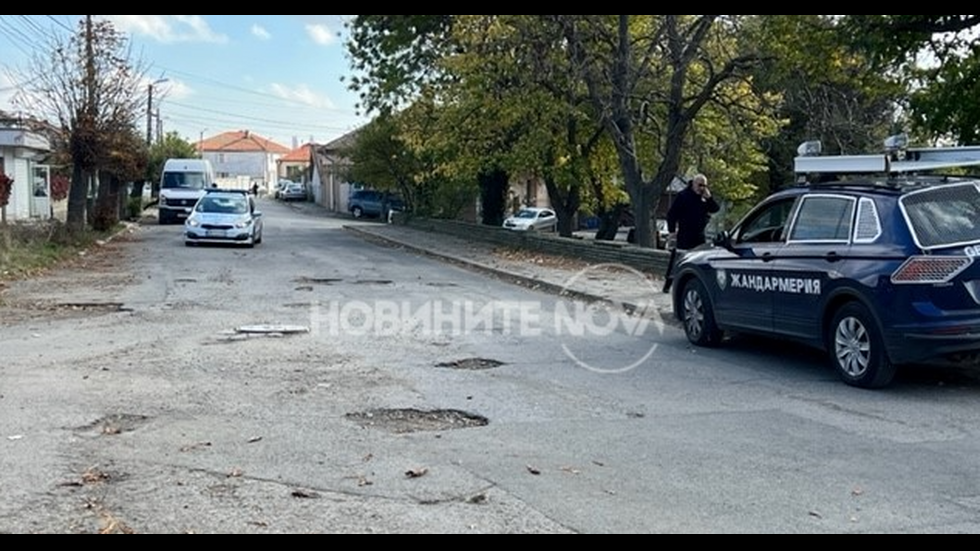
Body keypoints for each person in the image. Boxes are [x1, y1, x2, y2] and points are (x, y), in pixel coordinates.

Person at [663, 174, 720, 293]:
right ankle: (668, 283)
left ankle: (697, 285)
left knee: (700, 260)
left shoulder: (704, 197)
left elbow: (715, 209)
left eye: (704, 185)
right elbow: (672, 214)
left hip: (699, 234)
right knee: (678, 259)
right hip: (685, 233)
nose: (702, 188)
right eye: (700, 185)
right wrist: (672, 231)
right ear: (693, 184)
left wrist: (709, 198)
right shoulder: (683, 196)